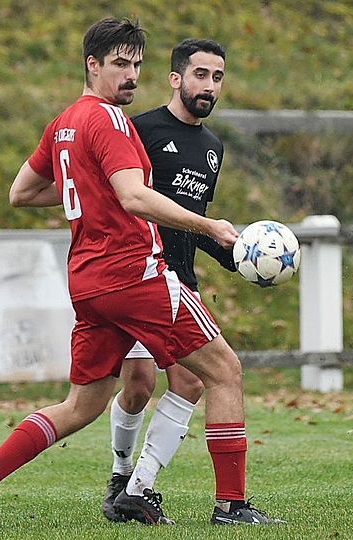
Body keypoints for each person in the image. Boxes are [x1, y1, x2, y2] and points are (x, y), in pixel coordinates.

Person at [0, 18, 282, 528]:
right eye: (120, 65)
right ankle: (231, 506)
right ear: (93, 64)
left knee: (82, 404)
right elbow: (132, 195)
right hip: (135, 275)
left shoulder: (63, 123)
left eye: (136, 65)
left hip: (88, 282)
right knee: (224, 371)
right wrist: (208, 224)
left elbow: (23, 192)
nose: (131, 76)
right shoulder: (112, 123)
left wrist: (87, 195)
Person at [99, 38, 239, 524]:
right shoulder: (141, 130)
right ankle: (121, 477)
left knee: (190, 381)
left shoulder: (213, 149)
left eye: (217, 77)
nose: (209, 86)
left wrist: (233, 256)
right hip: (138, 276)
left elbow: (191, 220)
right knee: (137, 386)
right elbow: (122, 198)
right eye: (200, 74)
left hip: (182, 280)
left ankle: (140, 486)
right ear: (176, 78)